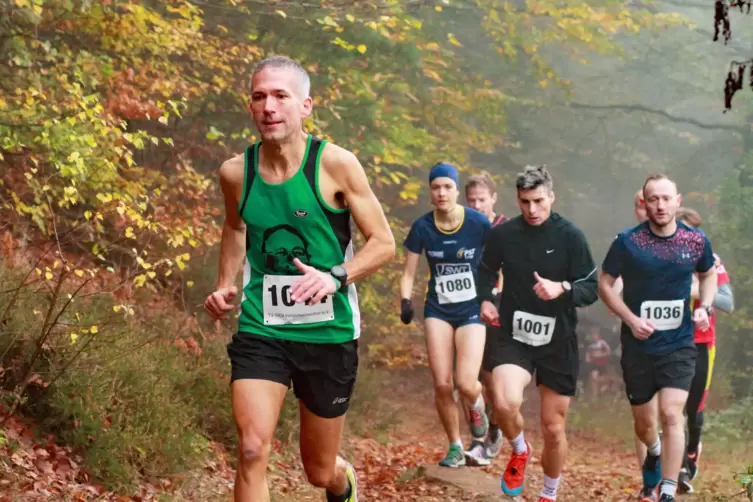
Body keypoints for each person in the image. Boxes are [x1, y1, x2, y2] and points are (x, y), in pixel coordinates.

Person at [203, 55, 396, 502]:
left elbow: (383, 243)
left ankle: (341, 483)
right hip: (261, 326)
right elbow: (234, 228)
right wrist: (223, 283)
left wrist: (336, 276)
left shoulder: (336, 165)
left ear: (305, 105)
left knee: (318, 470)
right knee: (252, 449)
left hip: (328, 332)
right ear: (250, 107)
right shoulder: (236, 173)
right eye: (258, 97)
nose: (268, 106)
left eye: (280, 96)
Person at [477, 165, 599, 501]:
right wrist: (486, 299)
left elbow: (591, 288)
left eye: (539, 201)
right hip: (514, 335)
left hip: (558, 340)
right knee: (503, 402)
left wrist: (561, 287)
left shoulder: (570, 236)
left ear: (551, 198)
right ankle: (518, 449)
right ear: (517, 199)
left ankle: (549, 492)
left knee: (554, 427)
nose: (532, 210)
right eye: (525, 202)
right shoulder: (504, 235)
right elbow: (484, 272)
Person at [598, 174, 718, 502]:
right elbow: (605, 284)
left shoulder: (695, 241)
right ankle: (653, 449)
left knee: (671, 412)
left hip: (679, 343)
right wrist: (631, 319)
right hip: (638, 345)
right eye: (654, 199)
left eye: (666, 199)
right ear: (645, 203)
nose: (661, 205)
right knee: (645, 422)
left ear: (678, 201)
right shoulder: (628, 242)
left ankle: (667, 488)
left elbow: (709, 276)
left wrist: (704, 307)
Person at [400, 163, 491, 468]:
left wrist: (495, 296)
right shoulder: (422, 227)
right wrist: (405, 300)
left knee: (466, 382)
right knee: (442, 383)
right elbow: (409, 272)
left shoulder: (478, 223)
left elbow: (498, 264)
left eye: (447, 187)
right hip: (438, 309)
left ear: (456, 189)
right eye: (436, 187)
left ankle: (478, 408)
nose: (441, 193)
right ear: (430, 191)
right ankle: (454, 446)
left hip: (471, 309)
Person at [674, 207, 734, 494]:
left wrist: (698, 292)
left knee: (693, 406)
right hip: (668, 342)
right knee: (669, 405)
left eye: (690, 233)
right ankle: (674, 467)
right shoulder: (660, 258)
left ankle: (691, 456)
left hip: (701, 341)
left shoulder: (711, 260)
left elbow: (728, 302)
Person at [463, 172, 505, 462]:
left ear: (494, 198)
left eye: (482, 199)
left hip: (496, 309)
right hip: (464, 307)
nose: (477, 205)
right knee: (466, 379)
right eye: (472, 200)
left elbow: (508, 270)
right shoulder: (463, 227)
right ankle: (478, 438)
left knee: (490, 378)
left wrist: (494, 297)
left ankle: (495, 431)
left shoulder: (505, 229)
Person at [584, 327, 612, 397]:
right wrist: (588, 358)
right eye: (592, 335)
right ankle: (595, 395)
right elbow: (588, 354)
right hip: (593, 364)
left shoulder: (602, 343)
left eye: (595, 335)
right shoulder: (590, 345)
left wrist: (600, 354)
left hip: (601, 364)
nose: (593, 336)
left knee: (596, 379)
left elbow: (609, 352)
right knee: (593, 379)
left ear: (598, 335)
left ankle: (608, 383)